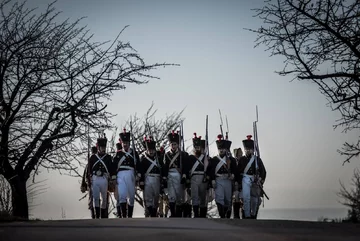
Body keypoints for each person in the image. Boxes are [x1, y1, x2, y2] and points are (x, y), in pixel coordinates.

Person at [205, 134, 237, 218]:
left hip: (228, 180)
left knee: (227, 199)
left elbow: (235, 170)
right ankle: (222, 215)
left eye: (222, 149)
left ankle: (227, 214)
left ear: (226, 149)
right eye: (219, 149)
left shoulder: (231, 160)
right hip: (218, 180)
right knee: (219, 198)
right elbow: (210, 171)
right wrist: (212, 180)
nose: (221, 150)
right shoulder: (214, 160)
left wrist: (233, 175)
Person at [111, 128, 139, 218]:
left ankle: (129, 216)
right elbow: (114, 167)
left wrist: (139, 174)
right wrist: (114, 178)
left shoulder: (134, 153)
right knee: (122, 195)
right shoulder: (118, 154)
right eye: (124, 143)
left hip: (131, 174)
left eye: (127, 143)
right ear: (121, 143)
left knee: (131, 196)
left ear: (129, 143)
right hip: (120, 175)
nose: (125, 144)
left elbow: (138, 165)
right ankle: (123, 216)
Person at [238, 135, 267, 219]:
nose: (248, 151)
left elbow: (263, 171)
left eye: (250, 149)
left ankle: (253, 214)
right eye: (246, 149)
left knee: (254, 199)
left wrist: (261, 179)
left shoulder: (257, 159)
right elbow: (238, 172)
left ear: (253, 150)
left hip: (255, 180)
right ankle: (247, 215)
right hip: (245, 179)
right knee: (246, 198)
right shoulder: (242, 160)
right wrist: (239, 183)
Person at [162, 130, 189, 217]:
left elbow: (185, 166)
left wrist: (184, 176)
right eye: (172, 144)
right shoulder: (166, 155)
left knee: (179, 195)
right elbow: (165, 167)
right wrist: (165, 177)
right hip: (170, 175)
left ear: (178, 145)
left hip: (179, 176)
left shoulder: (183, 154)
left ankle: (178, 214)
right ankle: (173, 213)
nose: (173, 146)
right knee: (171, 195)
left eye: (175, 144)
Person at [87, 135, 113, 218]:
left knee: (104, 199)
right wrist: (88, 180)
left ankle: (102, 216)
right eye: (101, 147)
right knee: (96, 198)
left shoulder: (108, 157)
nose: (103, 149)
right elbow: (89, 170)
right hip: (95, 178)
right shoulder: (93, 157)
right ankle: (97, 216)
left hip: (104, 178)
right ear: (98, 147)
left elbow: (111, 169)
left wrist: (111, 179)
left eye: (104, 147)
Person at [138, 136, 162, 217]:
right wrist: (141, 181)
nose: (151, 152)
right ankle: (151, 213)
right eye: (149, 150)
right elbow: (141, 170)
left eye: (152, 150)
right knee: (148, 197)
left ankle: (154, 211)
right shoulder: (143, 160)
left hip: (157, 179)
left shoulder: (159, 159)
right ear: (146, 150)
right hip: (147, 178)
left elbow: (162, 169)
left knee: (156, 197)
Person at [186, 133, 208, 218]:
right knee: (194, 196)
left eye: (199, 147)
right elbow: (187, 168)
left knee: (203, 197)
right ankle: (195, 214)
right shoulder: (190, 158)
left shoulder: (205, 158)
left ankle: (202, 215)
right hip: (194, 177)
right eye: (196, 147)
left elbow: (209, 168)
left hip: (203, 178)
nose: (197, 148)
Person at [81, 146, 98, 219]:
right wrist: (84, 184)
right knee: (92, 198)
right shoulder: (90, 160)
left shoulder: (96, 160)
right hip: (91, 182)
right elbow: (86, 173)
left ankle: (97, 214)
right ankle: (93, 214)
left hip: (96, 180)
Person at [232, 147, 243, 219]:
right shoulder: (233, 162)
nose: (240, 155)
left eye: (240, 154)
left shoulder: (244, 161)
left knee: (243, 199)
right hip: (235, 183)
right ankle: (236, 215)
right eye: (238, 154)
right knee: (236, 198)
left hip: (243, 182)